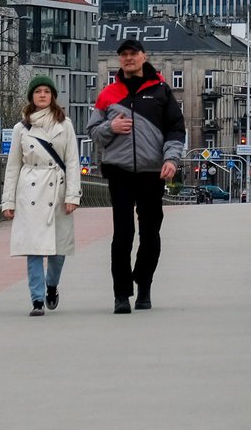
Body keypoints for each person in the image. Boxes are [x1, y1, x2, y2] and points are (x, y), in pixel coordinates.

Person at [88, 37, 184, 314]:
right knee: (122, 234)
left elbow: (176, 129)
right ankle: (121, 295)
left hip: (153, 171)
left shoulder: (161, 91)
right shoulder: (108, 94)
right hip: (119, 172)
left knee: (150, 232)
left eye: (133, 54)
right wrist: (111, 127)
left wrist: (171, 159)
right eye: (123, 55)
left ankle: (144, 285)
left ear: (144, 56)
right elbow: (93, 133)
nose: (128, 58)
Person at [2, 76, 80, 316]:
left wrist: (72, 196)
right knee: (33, 248)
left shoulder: (64, 124)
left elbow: (72, 161)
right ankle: (36, 299)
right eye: (38, 92)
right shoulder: (21, 128)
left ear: (53, 96)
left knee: (58, 250)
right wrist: (9, 200)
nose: (43, 95)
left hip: (57, 188)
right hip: (30, 190)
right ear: (31, 97)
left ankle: (52, 285)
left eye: (47, 91)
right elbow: (13, 166)